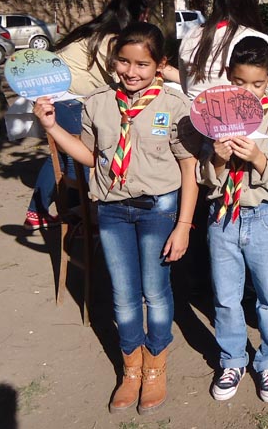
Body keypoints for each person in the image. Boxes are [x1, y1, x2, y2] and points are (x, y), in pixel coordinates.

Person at [32, 22, 200, 414]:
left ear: (160, 66)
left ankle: (156, 364)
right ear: (113, 61)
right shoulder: (98, 102)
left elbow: (189, 166)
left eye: (142, 63)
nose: (131, 71)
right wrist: (52, 126)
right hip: (111, 210)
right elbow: (92, 157)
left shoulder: (175, 107)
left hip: (159, 210)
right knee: (124, 296)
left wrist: (184, 226)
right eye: (123, 61)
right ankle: (131, 367)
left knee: (155, 293)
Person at [198, 36, 268, 403]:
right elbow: (203, 177)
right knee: (225, 296)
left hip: (265, 215)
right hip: (223, 215)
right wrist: (219, 160)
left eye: (257, 83)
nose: (248, 91)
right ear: (227, 76)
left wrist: (257, 158)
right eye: (239, 83)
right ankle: (232, 359)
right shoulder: (210, 116)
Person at [23, 0, 149, 230]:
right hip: (67, 99)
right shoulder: (111, 39)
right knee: (77, 155)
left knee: (58, 157)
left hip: (53, 96)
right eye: (145, 16)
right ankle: (83, 216)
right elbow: (122, 78)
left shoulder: (93, 31)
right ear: (138, 16)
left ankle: (38, 212)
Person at [179, 0, 268, 107]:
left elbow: (185, 85)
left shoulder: (190, 35)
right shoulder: (257, 39)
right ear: (251, 4)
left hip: (196, 117)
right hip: (240, 121)